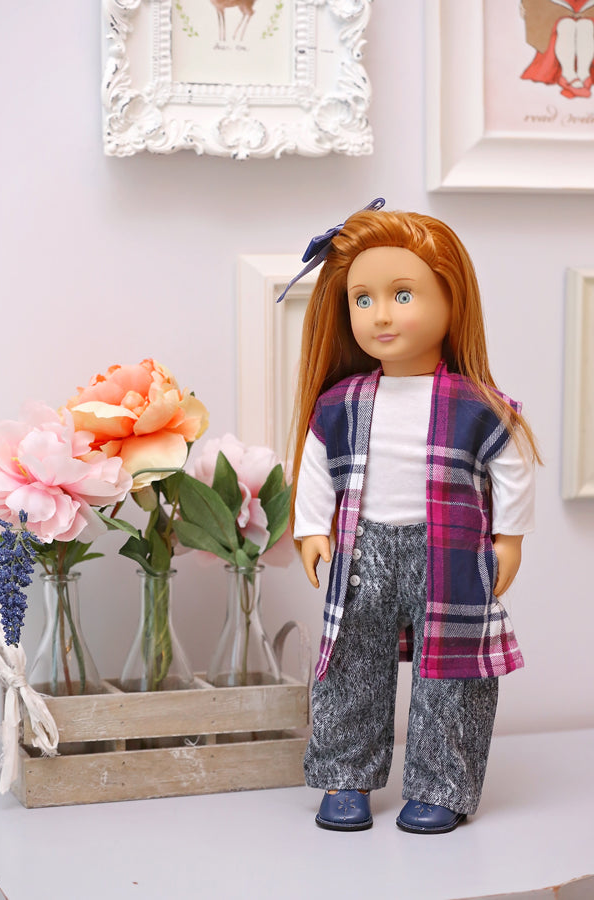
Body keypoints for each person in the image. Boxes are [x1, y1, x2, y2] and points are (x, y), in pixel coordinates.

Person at [280, 200, 539, 834]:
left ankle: (440, 786)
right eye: (362, 299)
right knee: (349, 666)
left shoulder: (478, 405)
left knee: (452, 674)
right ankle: (345, 777)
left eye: (402, 295)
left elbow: (513, 467)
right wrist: (311, 528)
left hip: (449, 556)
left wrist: (509, 537)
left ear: (452, 301)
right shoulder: (340, 403)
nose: (381, 315)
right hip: (362, 554)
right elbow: (316, 468)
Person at [521, 0, 594, 98]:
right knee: (566, 24)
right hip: (556, 17)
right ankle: (567, 73)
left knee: (586, 25)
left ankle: (584, 72)